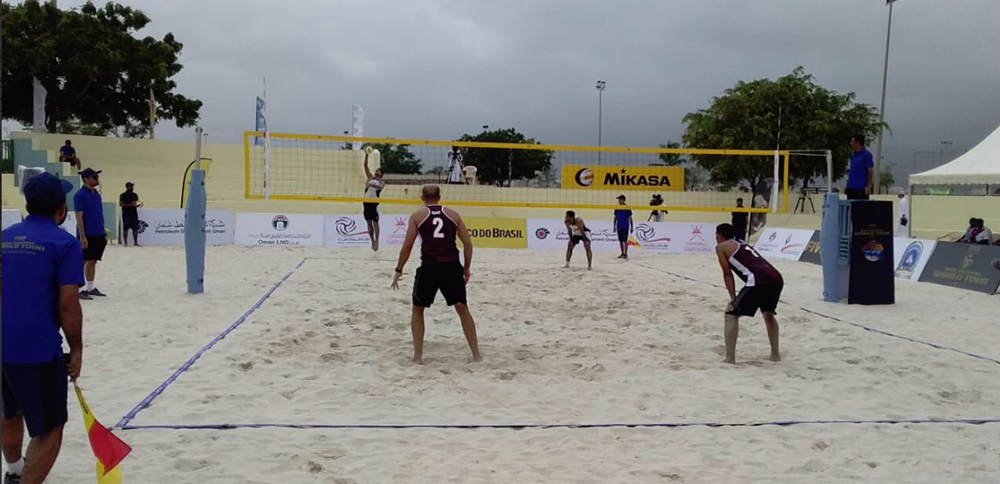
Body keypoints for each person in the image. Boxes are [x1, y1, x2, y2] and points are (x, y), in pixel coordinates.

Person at [2, 173, 84, 484]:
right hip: (36, 346)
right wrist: (76, 348)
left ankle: (14, 472)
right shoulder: (64, 243)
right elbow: (68, 304)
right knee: (50, 427)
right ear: (62, 210)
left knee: (11, 411)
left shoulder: (5, 236)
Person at [391, 185, 482, 365]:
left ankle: (418, 357)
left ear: (422, 197)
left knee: (418, 309)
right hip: (451, 267)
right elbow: (467, 243)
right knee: (462, 308)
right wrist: (466, 267)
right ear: (439, 197)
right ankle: (476, 355)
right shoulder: (453, 215)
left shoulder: (417, 216)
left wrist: (399, 269)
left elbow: (407, 245)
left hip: (429, 267)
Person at [715, 223, 783, 364]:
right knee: (768, 314)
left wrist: (733, 299)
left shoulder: (721, 247)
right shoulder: (741, 243)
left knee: (731, 314)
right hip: (776, 278)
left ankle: (730, 358)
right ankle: (775, 355)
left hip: (758, 280)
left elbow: (727, 274)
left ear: (719, 236)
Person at [74, 168, 107, 299]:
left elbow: (99, 214)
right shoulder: (80, 195)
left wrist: (103, 232)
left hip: (98, 233)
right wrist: (82, 236)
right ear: (86, 179)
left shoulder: (97, 194)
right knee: (82, 261)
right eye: (94, 177)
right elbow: (79, 216)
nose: (97, 179)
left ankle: (90, 287)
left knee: (93, 260)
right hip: (88, 233)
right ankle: (78, 289)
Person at [363, 148, 387, 252]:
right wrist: (367, 155)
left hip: (374, 203)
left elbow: (380, 187)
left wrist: (371, 185)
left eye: (379, 170)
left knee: (375, 222)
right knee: (369, 222)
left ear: (381, 174)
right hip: (366, 201)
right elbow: (365, 166)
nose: (376, 171)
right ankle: (372, 241)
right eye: (376, 170)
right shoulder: (370, 177)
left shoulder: (382, 182)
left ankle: (377, 241)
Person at [845, 134, 873, 200]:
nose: (851, 144)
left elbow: (870, 171)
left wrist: (868, 186)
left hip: (861, 188)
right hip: (851, 188)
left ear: (857, 143)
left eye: (852, 142)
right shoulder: (853, 155)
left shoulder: (866, 155)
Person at [119, 182, 141, 247]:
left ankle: (135, 243)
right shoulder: (123, 195)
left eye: (132, 186)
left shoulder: (135, 195)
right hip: (126, 214)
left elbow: (137, 202)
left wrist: (138, 204)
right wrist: (131, 205)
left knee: (135, 229)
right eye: (130, 186)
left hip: (134, 214)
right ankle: (125, 243)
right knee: (125, 228)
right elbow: (121, 204)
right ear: (127, 187)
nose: (131, 188)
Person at [613, 194, 633, 259]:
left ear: (623, 200)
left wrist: (632, 227)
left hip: (625, 226)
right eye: (619, 199)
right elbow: (615, 217)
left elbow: (630, 218)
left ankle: (625, 254)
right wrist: (614, 226)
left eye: (620, 199)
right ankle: (622, 253)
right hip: (619, 226)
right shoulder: (617, 208)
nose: (619, 201)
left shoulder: (627, 208)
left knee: (625, 241)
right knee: (621, 241)